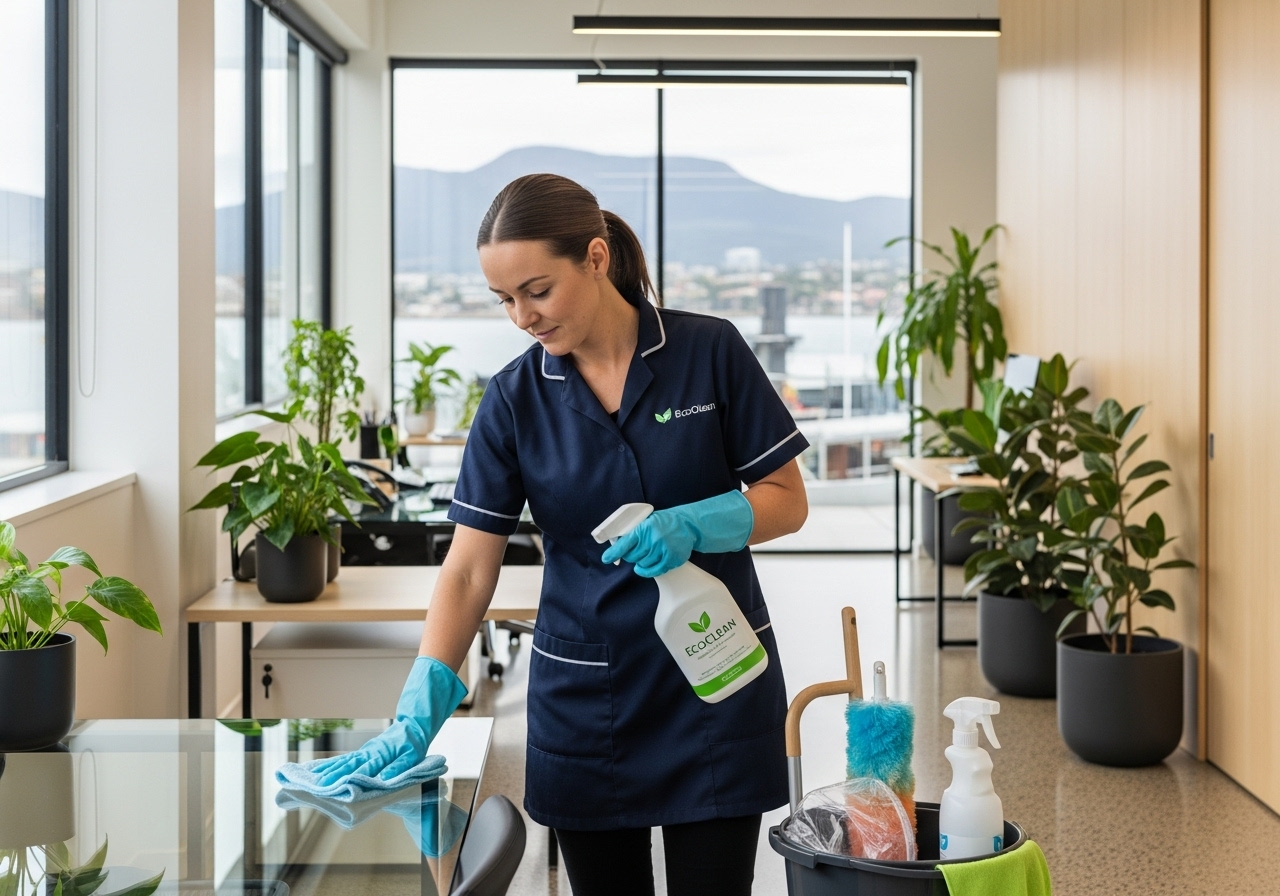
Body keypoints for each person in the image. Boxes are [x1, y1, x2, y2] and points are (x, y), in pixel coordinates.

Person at [311, 173, 811, 896]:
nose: (522, 316)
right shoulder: (514, 399)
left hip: (715, 686)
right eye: (505, 299)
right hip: (587, 703)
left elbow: (786, 500)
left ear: (597, 258)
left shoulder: (710, 352)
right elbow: (467, 571)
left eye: (537, 290)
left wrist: (697, 521)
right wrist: (417, 712)